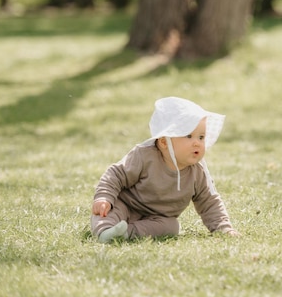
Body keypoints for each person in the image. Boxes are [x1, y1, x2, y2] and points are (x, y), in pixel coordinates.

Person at [91, 97, 239, 243]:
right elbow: (116, 175)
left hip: (157, 218)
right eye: (189, 136)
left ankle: (125, 233)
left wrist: (223, 228)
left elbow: (209, 202)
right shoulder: (144, 156)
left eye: (201, 137)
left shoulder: (197, 172)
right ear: (164, 142)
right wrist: (104, 197)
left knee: (171, 226)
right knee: (108, 211)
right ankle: (105, 231)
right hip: (127, 205)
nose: (197, 143)